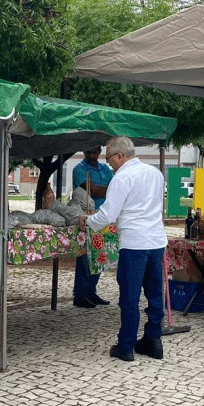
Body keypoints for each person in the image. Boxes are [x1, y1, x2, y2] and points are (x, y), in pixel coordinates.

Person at [78, 137, 167, 362]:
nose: (108, 164)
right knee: (155, 294)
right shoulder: (155, 174)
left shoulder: (122, 177)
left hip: (134, 242)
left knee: (130, 296)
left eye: (109, 158)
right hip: (156, 240)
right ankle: (153, 340)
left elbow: (108, 214)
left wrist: (88, 221)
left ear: (120, 155)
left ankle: (126, 345)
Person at [71, 146, 115, 308]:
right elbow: (93, 191)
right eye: (87, 152)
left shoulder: (105, 168)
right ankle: (80, 294)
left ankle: (90, 291)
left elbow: (108, 191)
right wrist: (110, 190)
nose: (91, 155)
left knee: (100, 255)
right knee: (85, 257)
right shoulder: (79, 169)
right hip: (87, 217)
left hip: (104, 216)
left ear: (99, 150)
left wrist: (108, 191)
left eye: (94, 152)